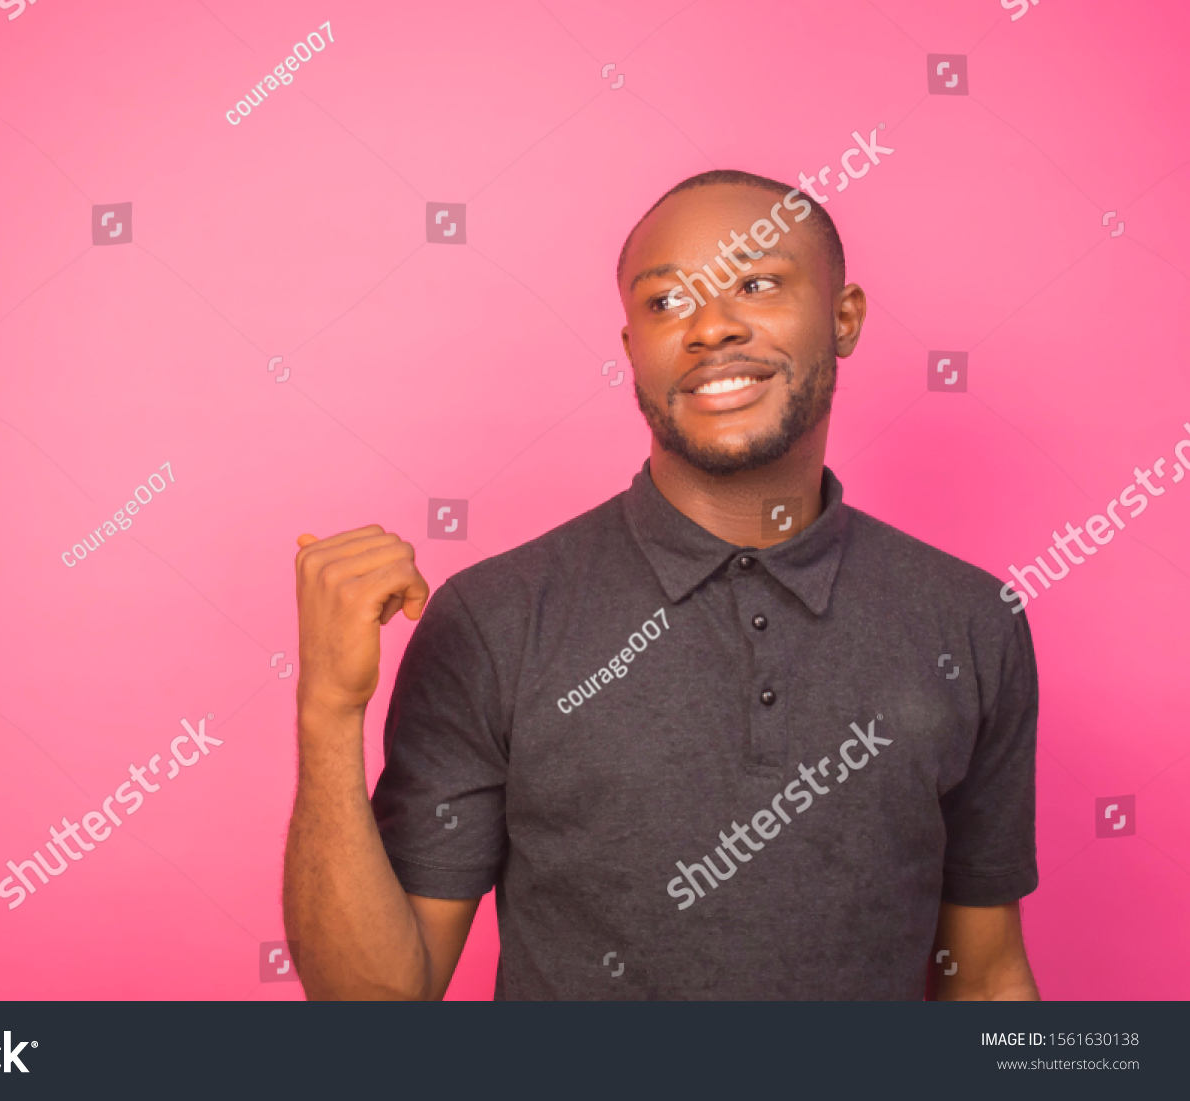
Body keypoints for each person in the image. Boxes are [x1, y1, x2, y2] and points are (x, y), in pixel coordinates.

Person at [282, 169, 1040, 1001]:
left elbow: (985, 972)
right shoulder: (494, 620)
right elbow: (376, 1004)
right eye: (667, 303)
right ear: (630, 350)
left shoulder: (969, 622)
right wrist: (326, 709)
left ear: (843, 317)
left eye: (756, 283)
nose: (711, 327)